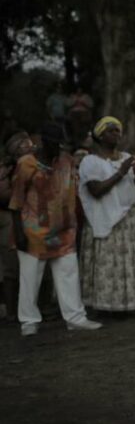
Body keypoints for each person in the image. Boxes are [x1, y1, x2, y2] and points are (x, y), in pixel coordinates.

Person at [9, 123, 101, 336]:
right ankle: (29, 321)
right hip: (33, 231)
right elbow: (16, 201)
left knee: (68, 273)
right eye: (53, 142)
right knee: (30, 278)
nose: (57, 147)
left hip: (63, 230)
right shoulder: (26, 164)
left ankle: (75, 317)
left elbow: (72, 191)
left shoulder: (66, 160)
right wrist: (19, 232)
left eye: (61, 143)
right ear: (42, 140)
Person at [78, 117, 135, 313]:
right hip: (106, 219)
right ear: (100, 135)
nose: (116, 134)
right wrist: (121, 172)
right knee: (109, 266)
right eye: (111, 131)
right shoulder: (90, 161)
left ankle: (130, 304)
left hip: (128, 220)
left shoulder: (126, 157)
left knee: (128, 264)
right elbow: (95, 190)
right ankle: (107, 306)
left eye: (118, 131)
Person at [0, 131, 35, 322]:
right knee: (12, 267)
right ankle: (12, 311)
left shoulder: (37, 165)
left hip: (35, 218)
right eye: (23, 145)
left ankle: (37, 306)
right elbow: (4, 196)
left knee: (37, 265)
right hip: (9, 220)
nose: (28, 146)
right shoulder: (5, 170)